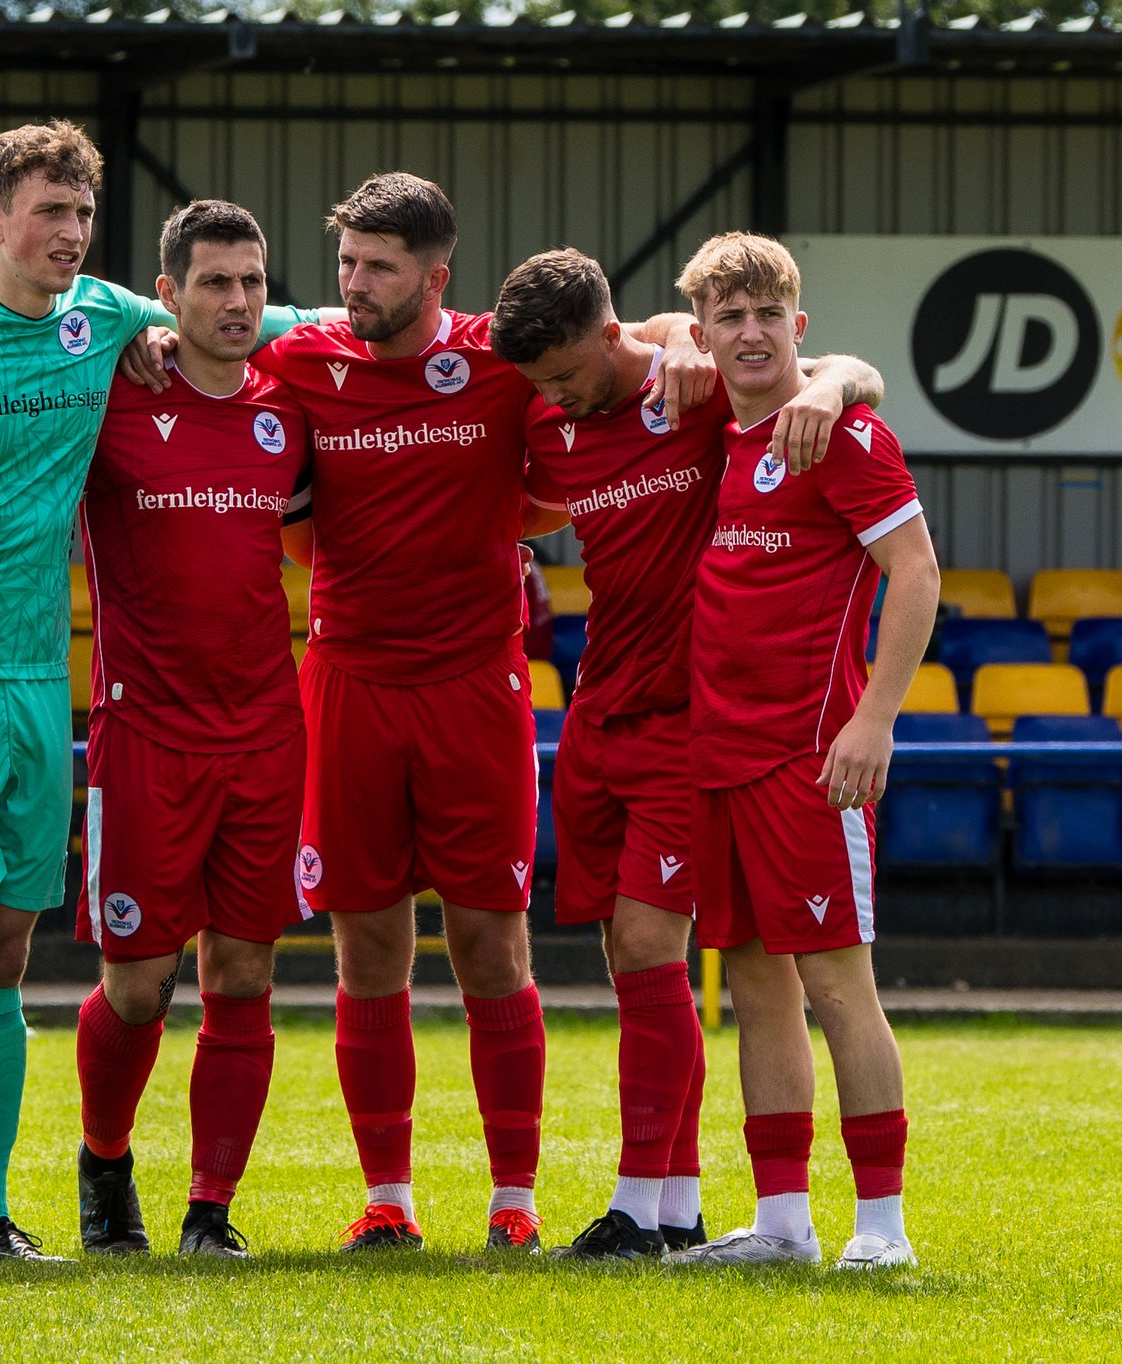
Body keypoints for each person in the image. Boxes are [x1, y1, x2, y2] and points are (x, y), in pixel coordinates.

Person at [0, 121, 318, 1263]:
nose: (68, 234)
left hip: (34, 681)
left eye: (80, 214)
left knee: (10, 950)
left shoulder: (111, 320)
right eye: (47, 213)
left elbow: (279, 321)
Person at [250, 172, 722, 1255]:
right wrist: (143, 335)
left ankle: (513, 1198)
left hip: (476, 680)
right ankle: (387, 1196)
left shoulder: (503, 367)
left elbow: (618, 348)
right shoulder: (303, 354)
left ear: (434, 276)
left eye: (378, 266)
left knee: (487, 941)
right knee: (365, 944)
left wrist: (679, 338)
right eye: (347, 263)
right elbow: (206, 323)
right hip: (350, 677)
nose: (354, 284)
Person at [489, 246, 883, 1259]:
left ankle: (642, 1203)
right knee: (632, 953)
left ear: (614, 334)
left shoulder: (698, 389)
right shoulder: (545, 418)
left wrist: (837, 379)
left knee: (657, 943)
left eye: (569, 376)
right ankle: (675, 1206)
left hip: (695, 718)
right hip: (600, 707)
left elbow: (825, 369)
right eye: (541, 385)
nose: (558, 400)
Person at [662, 233, 936, 1271]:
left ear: (797, 326)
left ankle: (881, 1227)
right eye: (727, 316)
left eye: (765, 314)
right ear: (703, 333)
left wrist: (874, 718)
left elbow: (913, 572)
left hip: (809, 761)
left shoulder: (843, 434)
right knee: (755, 985)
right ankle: (779, 1222)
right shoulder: (718, 438)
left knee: (836, 987)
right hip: (718, 758)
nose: (747, 332)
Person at [70, 201, 308, 1261]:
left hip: (264, 729)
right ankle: (103, 1155)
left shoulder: (287, 403)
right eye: (213, 283)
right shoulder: (115, 394)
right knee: (136, 980)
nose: (237, 302)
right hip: (144, 734)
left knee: (244, 973)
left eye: (251, 282)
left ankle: (210, 1208)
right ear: (163, 295)